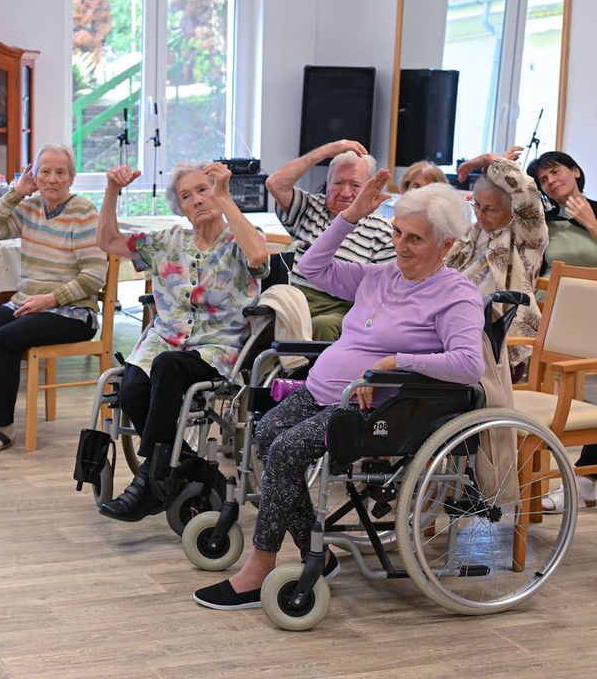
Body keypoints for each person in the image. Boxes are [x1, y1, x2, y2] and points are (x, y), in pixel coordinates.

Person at [194, 176, 484, 611]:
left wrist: (397, 362)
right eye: (397, 233)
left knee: (287, 451)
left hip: (373, 409)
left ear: (444, 246)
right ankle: (320, 553)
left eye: (416, 239)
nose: (401, 246)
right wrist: (349, 217)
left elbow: (468, 364)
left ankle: (260, 566)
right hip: (321, 392)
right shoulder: (380, 275)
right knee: (267, 433)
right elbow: (309, 267)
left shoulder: (456, 293)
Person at [95, 161, 269, 520]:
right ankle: (186, 470)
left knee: (167, 366)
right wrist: (112, 190)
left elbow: (258, 256)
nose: (198, 200)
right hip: (164, 342)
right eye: (187, 196)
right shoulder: (168, 241)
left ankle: (150, 478)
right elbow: (107, 241)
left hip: (215, 348)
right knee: (130, 390)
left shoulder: (239, 240)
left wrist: (225, 197)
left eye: (204, 190)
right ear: (180, 206)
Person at [0, 144, 106, 455]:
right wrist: (16, 193)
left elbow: (94, 277)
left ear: (71, 178)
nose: (52, 179)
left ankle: (3, 427)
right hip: (27, 303)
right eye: (45, 172)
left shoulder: (85, 213)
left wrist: (50, 299)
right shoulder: (30, 207)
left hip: (73, 313)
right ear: (34, 176)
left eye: (60, 172)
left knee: (2, 341)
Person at [525, 151, 597, 512]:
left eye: (555, 171)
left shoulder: (595, 211)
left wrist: (591, 222)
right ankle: (580, 479)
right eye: (543, 179)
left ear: (576, 171)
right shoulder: (543, 222)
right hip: (557, 317)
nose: (551, 180)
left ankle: (585, 478)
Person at [265, 139, 394, 340]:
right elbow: (275, 183)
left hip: (341, 307)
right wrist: (326, 151)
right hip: (294, 299)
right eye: (338, 183)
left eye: (355, 185)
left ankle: (307, 372)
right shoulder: (310, 208)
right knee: (264, 311)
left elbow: (382, 292)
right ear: (327, 185)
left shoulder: (382, 231)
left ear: (370, 188)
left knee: (322, 325)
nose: (345, 192)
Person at [445, 155, 546, 366]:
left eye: (490, 209)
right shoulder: (473, 233)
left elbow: (524, 188)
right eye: (477, 205)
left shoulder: (525, 236)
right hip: (454, 323)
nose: (480, 215)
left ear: (514, 211)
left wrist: (488, 160)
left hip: (497, 341)